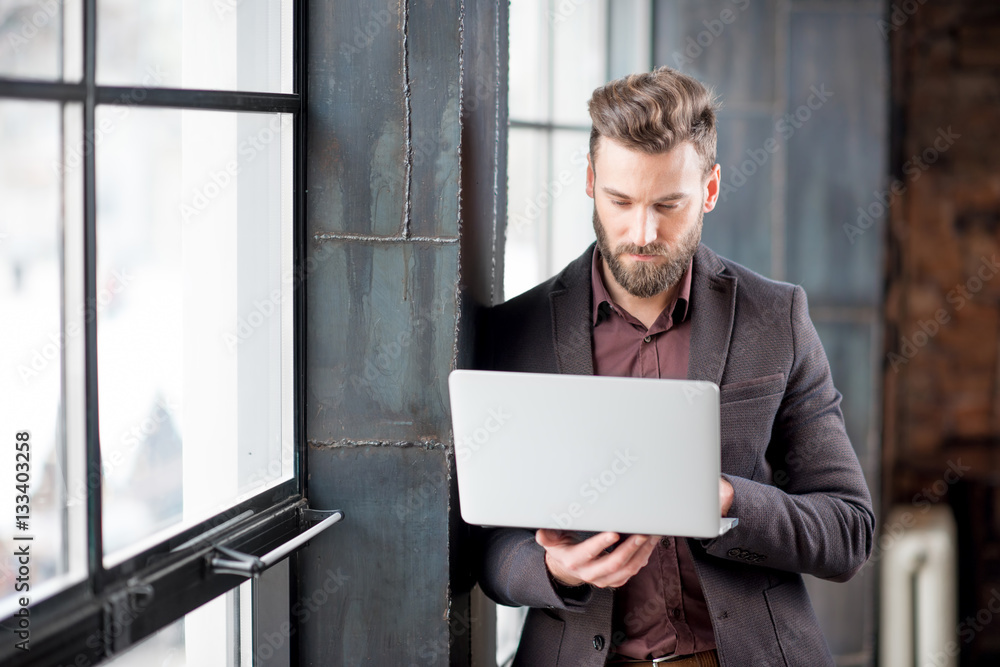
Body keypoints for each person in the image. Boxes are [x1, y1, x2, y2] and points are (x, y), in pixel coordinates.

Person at [475, 66, 875, 667]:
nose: (644, 231)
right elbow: (483, 544)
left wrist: (724, 499)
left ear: (710, 190)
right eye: (620, 201)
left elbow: (849, 532)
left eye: (669, 204)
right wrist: (549, 568)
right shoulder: (517, 331)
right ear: (589, 182)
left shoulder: (776, 319)